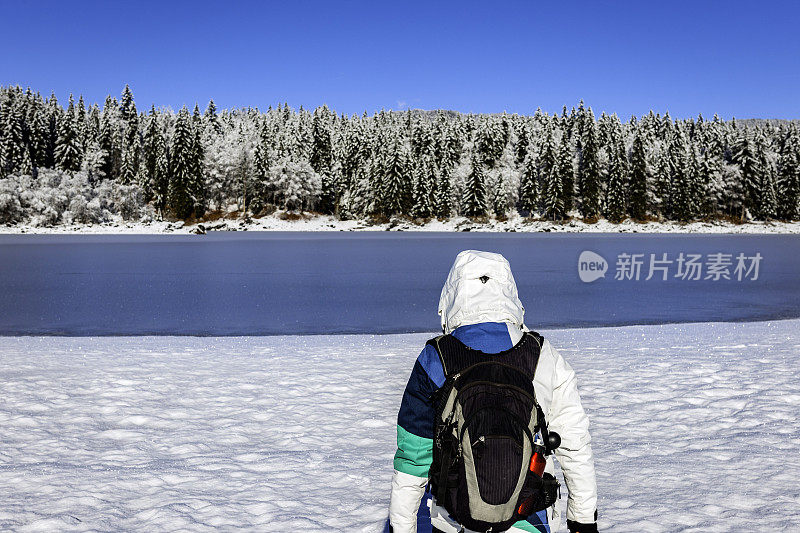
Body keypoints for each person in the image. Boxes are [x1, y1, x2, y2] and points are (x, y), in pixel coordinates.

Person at [389, 250, 598, 533]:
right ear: (510, 291)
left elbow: (413, 458)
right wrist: (583, 519)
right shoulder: (541, 355)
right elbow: (574, 444)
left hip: (453, 517)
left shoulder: (436, 358)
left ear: (451, 294)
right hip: (525, 514)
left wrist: (401, 528)